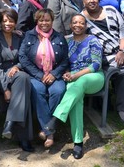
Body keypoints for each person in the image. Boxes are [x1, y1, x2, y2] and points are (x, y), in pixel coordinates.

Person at [81, 0, 124, 126]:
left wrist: (122, 50)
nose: (92, 0)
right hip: (103, 55)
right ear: (83, 2)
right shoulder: (82, 19)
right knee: (123, 67)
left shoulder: (110, 10)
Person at [43, 14, 104, 159]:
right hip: (72, 78)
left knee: (80, 83)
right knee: (75, 99)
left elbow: (96, 64)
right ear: (70, 25)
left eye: (81, 23)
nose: (78, 25)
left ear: (86, 25)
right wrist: (66, 73)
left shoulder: (93, 40)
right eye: (75, 22)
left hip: (93, 76)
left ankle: (56, 119)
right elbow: (62, 62)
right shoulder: (66, 41)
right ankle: (78, 143)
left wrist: (76, 75)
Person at [19, 9, 69, 148]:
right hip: (36, 75)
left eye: (47, 20)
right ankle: (50, 132)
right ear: (37, 21)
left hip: (54, 74)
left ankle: (46, 128)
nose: (44, 23)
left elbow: (65, 60)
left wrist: (54, 74)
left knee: (58, 91)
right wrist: (40, 75)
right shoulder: (29, 36)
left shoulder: (59, 37)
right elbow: (23, 58)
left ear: (52, 21)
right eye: (41, 20)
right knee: (38, 90)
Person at [0, 8, 34, 152]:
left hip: (18, 72)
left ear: (15, 23)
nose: (7, 24)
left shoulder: (20, 37)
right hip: (2, 75)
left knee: (23, 78)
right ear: (0, 23)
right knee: (24, 83)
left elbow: (26, 57)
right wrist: (5, 89)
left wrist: (17, 66)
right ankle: (23, 138)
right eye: (4, 21)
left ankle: (9, 124)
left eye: (11, 21)